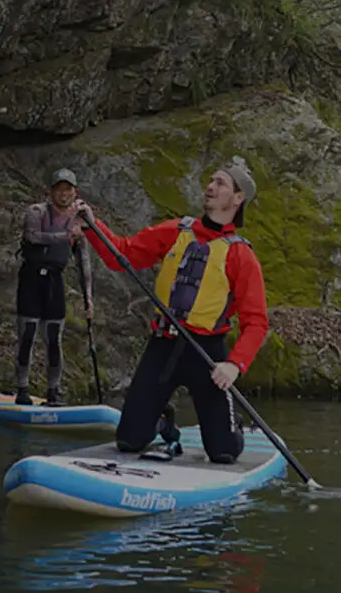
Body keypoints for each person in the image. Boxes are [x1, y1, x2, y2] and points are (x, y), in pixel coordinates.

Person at [73, 157, 269, 464]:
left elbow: (256, 322)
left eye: (220, 183)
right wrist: (92, 226)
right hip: (163, 346)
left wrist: (234, 365)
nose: (210, 186)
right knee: (128, 441)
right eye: (211, 180)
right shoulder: (176, 231)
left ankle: (233, 428)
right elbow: (121, 255)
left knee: (224, 453)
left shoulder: (241, 256)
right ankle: (162, 420)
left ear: (238, 198)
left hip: (207, 354)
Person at [12, 168, 83, 406]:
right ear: (51, 191)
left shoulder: (77, 221)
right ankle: (22, 388)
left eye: (68, 189)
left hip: (55, 280)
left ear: (75, 192)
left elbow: (84, 261)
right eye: (59, 189)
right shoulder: (37, 211)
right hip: (32, 279)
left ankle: (54, 391)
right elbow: (32, 236)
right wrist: (65, 235)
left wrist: (89, 298)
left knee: (54, 338)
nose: (64, 194)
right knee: (28, 334)